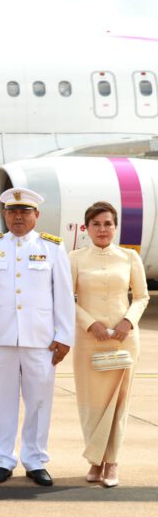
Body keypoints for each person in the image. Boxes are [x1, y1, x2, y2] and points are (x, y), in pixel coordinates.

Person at [0, 188, 74, 487]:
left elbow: (63, 295)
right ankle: (2, 459)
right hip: (0, 338)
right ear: (4, 215)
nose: (18, 217)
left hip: (41, 339)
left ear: (36, 215)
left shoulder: (52, 247)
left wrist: (64, 335)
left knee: (39, 402)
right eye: (13, 211)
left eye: (25, 211)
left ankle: (35, 460)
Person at [69, 201, 149, 488]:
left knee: (118, 403)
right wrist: (91, 324)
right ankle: (95, 460)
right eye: (96, 224)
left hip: (122, 340)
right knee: (92, 403)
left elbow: (141, 296)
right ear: (87, 228)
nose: (102, 229)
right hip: (89, 340)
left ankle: (112, 462)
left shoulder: (130, 257)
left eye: (107, 224)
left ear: (115, 228)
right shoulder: (75, 258)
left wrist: (128, 321)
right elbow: (65, 298)